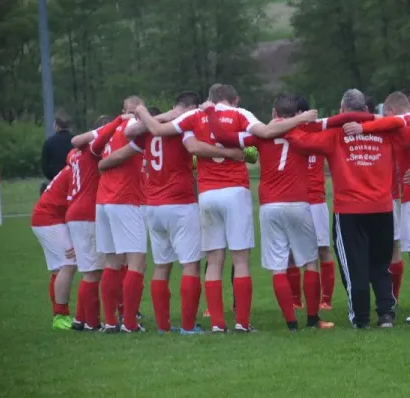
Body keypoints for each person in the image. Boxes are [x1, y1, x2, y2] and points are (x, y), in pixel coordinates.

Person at [130, 84, 307, 333]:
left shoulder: (195, 116)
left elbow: (160, 131)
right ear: (235, 99)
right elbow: (264, 135)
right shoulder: (240, 114)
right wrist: (242, 152)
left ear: (210, 100)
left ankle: (216, 323)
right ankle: (242, 323)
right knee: (241, 259)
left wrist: (141, 111)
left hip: (207, 193)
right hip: (234, 190)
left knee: (214, 261)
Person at [289, 89, 410, 329]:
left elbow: (298, 138)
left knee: (354, 268)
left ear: (342, 110)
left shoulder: (335, 134)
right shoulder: (385, 130)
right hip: (382, 209)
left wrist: (292, 121)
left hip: (349, 211)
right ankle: (386, 315)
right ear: (367, 110)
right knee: (380, 267)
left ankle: (360, 319)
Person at [207, 93, 334, 331]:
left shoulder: (260, 135)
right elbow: (328, 136)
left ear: (274, 113)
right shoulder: (302, 132)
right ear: (296, 114)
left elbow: (222, 136)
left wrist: (211, 112)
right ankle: (313, 318)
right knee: (309, 262)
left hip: (269, 205)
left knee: (278, 265)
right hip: (298, 202)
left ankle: (291, 322)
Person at [126, 93, 243, 334]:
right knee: (190, 265)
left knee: (161, 266)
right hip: (179, 203)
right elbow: (194, 147)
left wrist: (148, 114)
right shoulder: (182, 126)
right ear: (190, 108)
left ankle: (162, 326)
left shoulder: (149, 129)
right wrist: (230, 153)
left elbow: (130, 133)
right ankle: (189, 326)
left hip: (153, 205)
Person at [93, 95, 149, 333]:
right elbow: (141, 127)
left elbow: (88, 144)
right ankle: (129, 323)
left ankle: (110, 321)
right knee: (137, 261)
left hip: (103, 199)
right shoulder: (130, 126)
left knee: (112, 262)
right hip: (124, 198)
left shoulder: (108, 129)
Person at [66, 115, 122, 331]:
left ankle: (80, 318)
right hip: (87, 212)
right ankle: (92, 322)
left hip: (75, 210)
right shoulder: (92, 150)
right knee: (92, 272)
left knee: (89, 268)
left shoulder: (73, 154)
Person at [285, 96, 336, 310]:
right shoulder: (286, 133)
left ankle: (325, 300)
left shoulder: (319, 130)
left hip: (316, 200)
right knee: (291, 253)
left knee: (322, 249)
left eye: (299, 113)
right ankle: (296, 300)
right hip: (294, 200)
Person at [30, 163, 76, 330]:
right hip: (49, 218)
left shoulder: (74, 165)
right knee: (69, 264)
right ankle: (60, 315)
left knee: (59, 268)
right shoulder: (81, 168)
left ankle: (59, 315)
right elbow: (75, 204)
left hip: (45, 217)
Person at [41, 108, 74, 195]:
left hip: (56, 183)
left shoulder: (49, 143)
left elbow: (45, 168)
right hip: (74, 183)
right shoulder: (76, 141)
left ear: (56, 126)